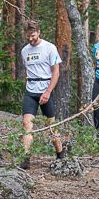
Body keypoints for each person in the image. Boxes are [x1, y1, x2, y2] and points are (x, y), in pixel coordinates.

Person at [20, 20, 66, 169]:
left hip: (46, 89)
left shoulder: (49, 48)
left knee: (50, 125)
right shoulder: (24, 51)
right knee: (27, 123)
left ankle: (60, 154)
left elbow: (56, 72)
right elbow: (27, 71)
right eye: (28, 36)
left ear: (38, 32)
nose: (30, 38)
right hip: (31, 90)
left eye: (32, 35)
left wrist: (47, 92)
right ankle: (26, 157)